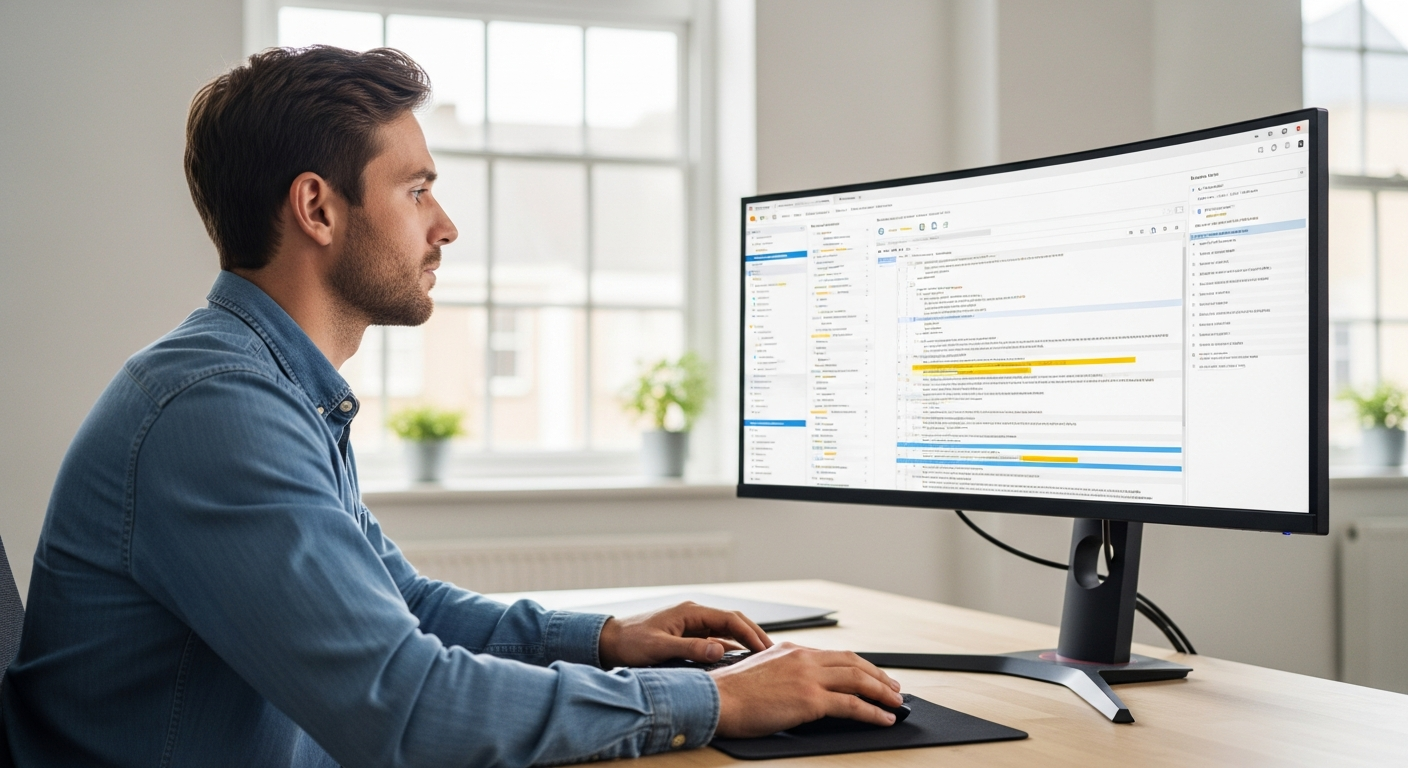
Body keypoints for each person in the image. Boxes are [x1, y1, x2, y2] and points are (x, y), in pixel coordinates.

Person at [1, 46, 903, 767]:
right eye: (417, 189)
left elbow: (408, 610)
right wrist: (716, 701)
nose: (446, 225)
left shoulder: (267, 386)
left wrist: (609, 641)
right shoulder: (215, 409)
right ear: (316, 208)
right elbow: (408, 710)